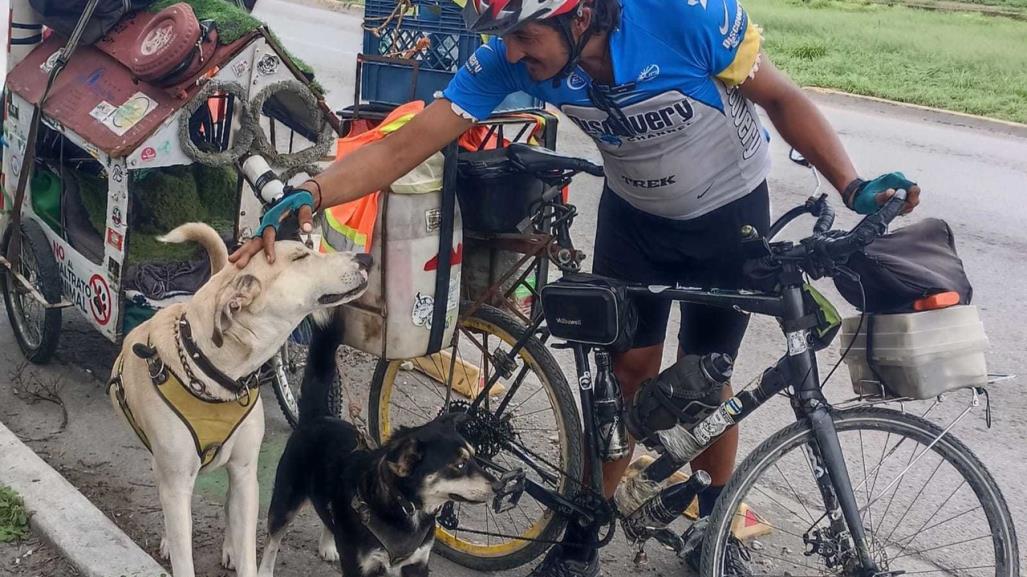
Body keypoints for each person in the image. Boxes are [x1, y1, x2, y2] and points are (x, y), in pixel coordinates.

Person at [232, 0, 921, 574]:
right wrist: (313, 193)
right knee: (624, 381)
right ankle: (583, 536)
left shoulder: (682, 16)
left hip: (727, 214)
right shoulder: (509, 53)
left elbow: (780, 95)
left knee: (709, 383)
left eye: (524, 36)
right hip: (636, 221)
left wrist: (853, 185)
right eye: (504, 38)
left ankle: (712, 519)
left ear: (579, 13)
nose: (512, 53)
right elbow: (403, 146)